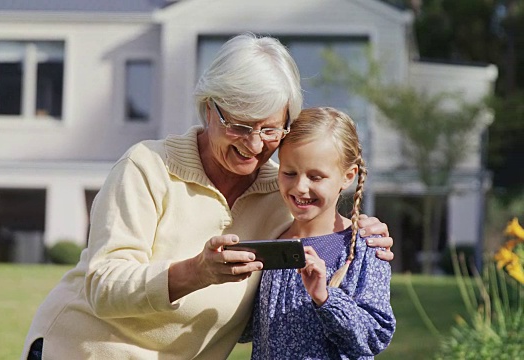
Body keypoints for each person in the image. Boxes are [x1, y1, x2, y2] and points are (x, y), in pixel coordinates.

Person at [21, 33, 394, 360]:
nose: (253, 145)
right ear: (207, 109)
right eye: (239, 126)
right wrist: (195, 273)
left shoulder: (281, 190)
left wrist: (358, 227)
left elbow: (320, 217)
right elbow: (104, 287)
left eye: (270, 131)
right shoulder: (148, 167)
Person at [245, 107, 396, 359]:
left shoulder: (365, 247)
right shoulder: (271, 245)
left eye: (316, 177)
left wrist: (325, 297)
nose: (300, 187)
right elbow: (248, 330)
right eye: (289, 173)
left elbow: (375, 335)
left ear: (347, 177)